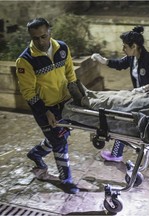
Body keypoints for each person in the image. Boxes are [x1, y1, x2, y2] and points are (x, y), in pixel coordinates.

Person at [16, 18, 79, 194]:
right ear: (31, 37)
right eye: (36, 38)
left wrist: (77, 97)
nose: (41, 41)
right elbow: (28, 92)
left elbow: (70, 73)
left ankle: (36, 153)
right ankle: (66, 180)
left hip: (65, 104)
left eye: (44, 36)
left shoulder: (62, 48)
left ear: (50, 31)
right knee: (60, 142)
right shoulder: (25, 61)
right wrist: (45, 112)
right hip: (45, 108)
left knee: (60, 136)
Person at [90, 26, 149, 164]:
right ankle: (119, 153)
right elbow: (119, 64)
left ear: (134, 46)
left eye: (125, 46)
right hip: (140, 99)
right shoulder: (132, 58)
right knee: (126, 120)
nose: (123, 49)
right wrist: (104, 60)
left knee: (129, 122)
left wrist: (146, 87)